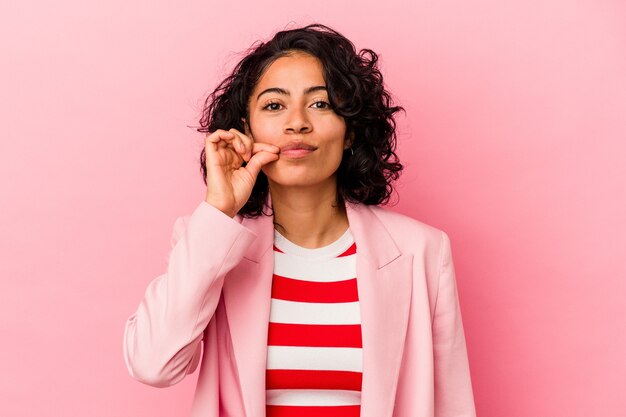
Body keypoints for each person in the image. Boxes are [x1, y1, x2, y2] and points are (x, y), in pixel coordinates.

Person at [123, 23, 476, 417]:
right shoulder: (209, 239)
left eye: (320, 104)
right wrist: (219, 209)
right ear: (246, 129)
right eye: (274, 105)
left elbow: (451, 404)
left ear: (349, 132)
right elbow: (153, 365)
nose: (297, 123)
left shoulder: (421, 251)